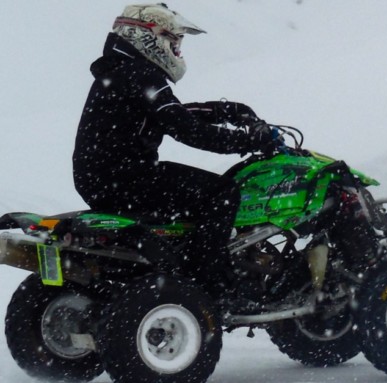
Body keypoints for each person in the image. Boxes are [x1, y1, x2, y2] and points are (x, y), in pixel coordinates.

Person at [72, 3, 275, 292]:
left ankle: (181, 263)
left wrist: (224, 111)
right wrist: (248, 141)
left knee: (193, 201)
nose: (177, 49)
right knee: (223, 192)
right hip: (127, 178)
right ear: (148, 36)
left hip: (104, 179)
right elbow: (185, 129)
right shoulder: (140, 73)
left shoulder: (122, 70)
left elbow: (169, 113)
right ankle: (210, 278)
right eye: (173, 40)